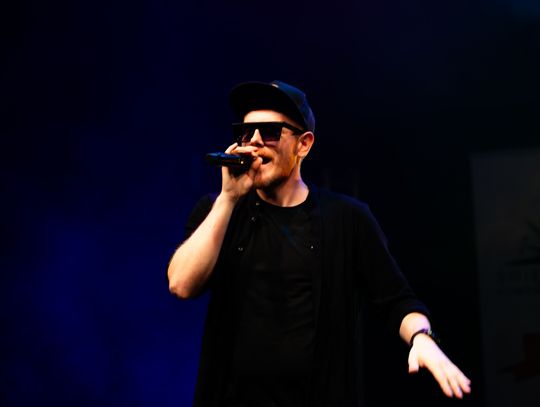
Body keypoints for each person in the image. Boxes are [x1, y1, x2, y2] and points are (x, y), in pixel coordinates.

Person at [167, 80, 472, 406]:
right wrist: (228, 199)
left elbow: (396, 300)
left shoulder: (346, 218)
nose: (253, 142)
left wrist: (422, 338)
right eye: (245, 132)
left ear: (304, 144)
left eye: (269, 132)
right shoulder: (218, 211)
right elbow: (181, 285)